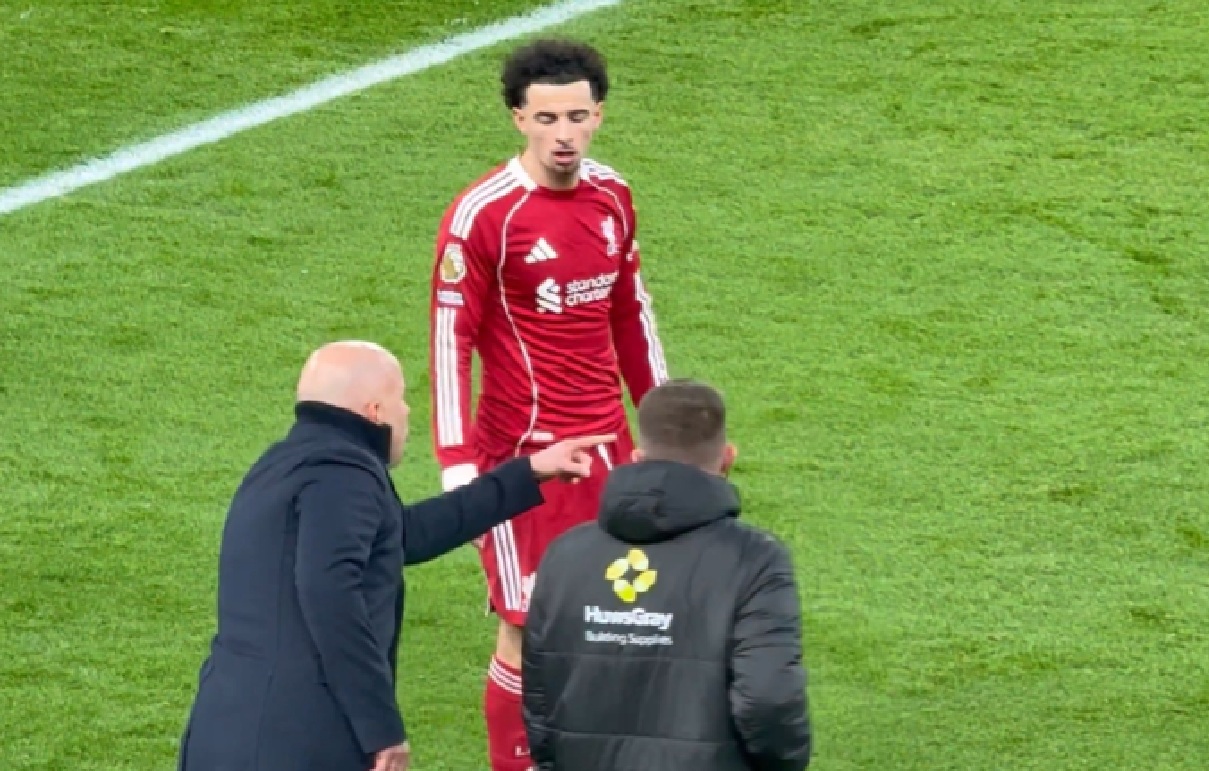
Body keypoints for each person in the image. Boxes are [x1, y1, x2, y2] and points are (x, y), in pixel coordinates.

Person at [176, 341, 613, 771]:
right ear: (374, 411)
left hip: (223, 726)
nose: (407, 413)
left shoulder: (281, 465)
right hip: (300, 737)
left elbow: (403, 535)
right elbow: (329, 593)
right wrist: (379, 725)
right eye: (401, 399)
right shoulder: (343, 475)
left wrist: (531, 471)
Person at [427, 38, 669, 770]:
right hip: (523, 459)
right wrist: (456, 460)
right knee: (526, 623)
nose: (562, 133)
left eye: (576, 115)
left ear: (598, 115)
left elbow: (630, 311)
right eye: (545, 118)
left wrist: (663, 423)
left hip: (609, 450)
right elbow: (450, 337)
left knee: (623, 608)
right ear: (516, 119)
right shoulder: (484, 215)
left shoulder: (613, 196)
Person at [521, 379, 813, 770]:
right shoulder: (755, 560)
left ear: (638, 458)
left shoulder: (565, 555)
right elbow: (768, 697)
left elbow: (539, 699)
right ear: (727, 458)